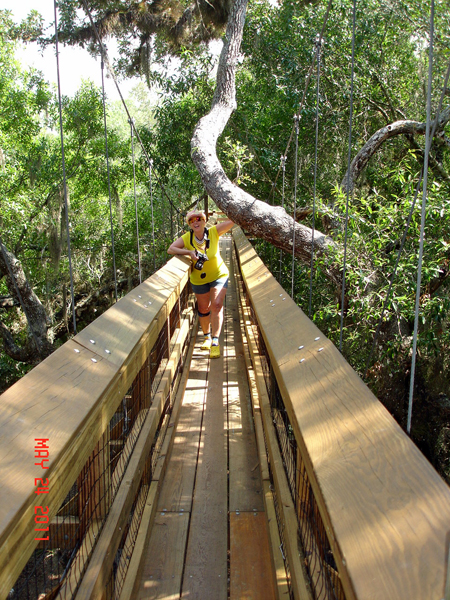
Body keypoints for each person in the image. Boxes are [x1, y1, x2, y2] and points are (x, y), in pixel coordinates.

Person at [168, 210, 234, 358]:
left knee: (216, 304)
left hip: (219, 274)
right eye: (192, 221)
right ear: (190, 225)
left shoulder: (213, 232)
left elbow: (233, 221)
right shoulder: (187, 238)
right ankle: (207, 337)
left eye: (199, 219)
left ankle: (215, 342)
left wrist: (230, 207)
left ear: (205, 221)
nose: (195, 222)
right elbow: (171, 249)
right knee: (204, 308)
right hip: (199, 279)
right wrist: (189, 252)